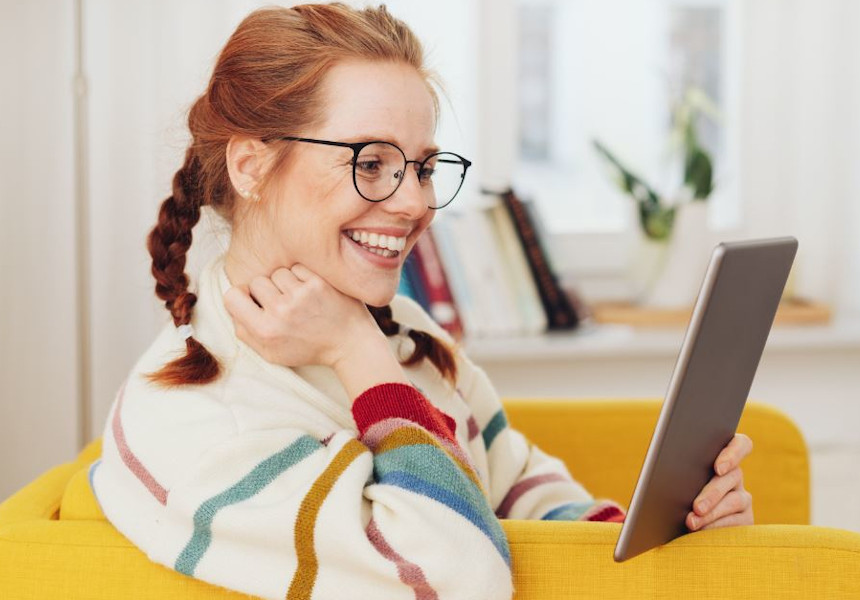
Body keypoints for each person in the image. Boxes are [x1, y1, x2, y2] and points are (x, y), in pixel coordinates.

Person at [89, 4, 754, 599]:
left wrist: (675, 537)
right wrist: (355, 351)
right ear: (250, 166)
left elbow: (512, 482)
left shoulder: (403, 331)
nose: (417, 203)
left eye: (425, 167)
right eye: (371, 163)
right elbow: (456, 581)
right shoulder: (198, 422)